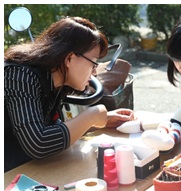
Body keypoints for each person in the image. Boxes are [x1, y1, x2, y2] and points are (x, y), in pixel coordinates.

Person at [4, 16, 134, 172]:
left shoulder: (55, 80)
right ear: (70, 58)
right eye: (93, 63)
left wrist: (97, 122)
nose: (94, 72)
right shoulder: (20, 76)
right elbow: (38, 144)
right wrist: (92, 115)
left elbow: (53, 129)